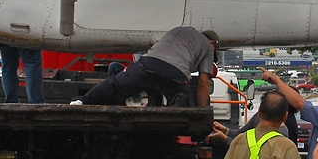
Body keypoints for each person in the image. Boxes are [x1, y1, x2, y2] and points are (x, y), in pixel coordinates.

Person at [75, 27, 217, 107]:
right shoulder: (208, 47)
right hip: (176, 75)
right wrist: (201, 112)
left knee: (115, 84)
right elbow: (203, 84)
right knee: (188, 102)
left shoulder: (178, 31)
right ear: (213, 43)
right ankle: (171, 102)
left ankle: (81, 101)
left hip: (149, 64)